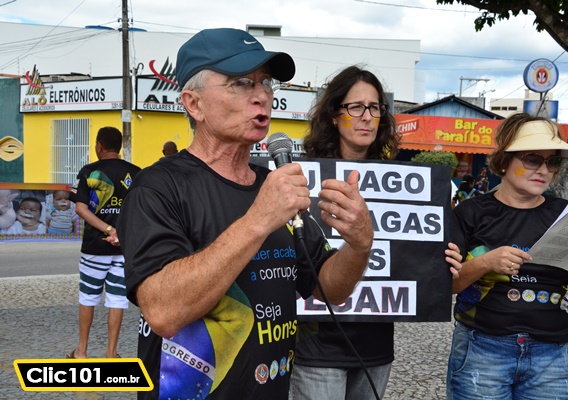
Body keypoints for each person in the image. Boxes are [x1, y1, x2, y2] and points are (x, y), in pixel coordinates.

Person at [118, 28, 376, 400]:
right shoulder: (157, 187)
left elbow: (328, 287)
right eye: (241, 83)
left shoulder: (273, 185)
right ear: (194, 104)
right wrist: (258, 220)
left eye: (266, 83)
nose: (262, 96)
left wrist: (359, 245)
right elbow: (163, 312)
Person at [290, 65, 463, 400]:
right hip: (317, 345)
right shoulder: (302, 177)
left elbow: (413, 256)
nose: (367, 117)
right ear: (334, 115)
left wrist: (442, 263)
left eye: (375, 108)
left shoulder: (407, 184)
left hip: (375, 347)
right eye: (356, 107)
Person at [447, 112, 568, 399]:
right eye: (532, 159)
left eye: (552, 162)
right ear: (505, 160)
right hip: (482, 348)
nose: (544, 169)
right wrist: (485, 262)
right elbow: (446, 285)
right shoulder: (471, 213)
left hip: (554, 354)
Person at [66, 126, 141, 359]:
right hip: (123, 249)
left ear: (99, 145)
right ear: (119, 146)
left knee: (88, 298)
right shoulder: (136, 173)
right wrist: (120, 234)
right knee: (117, 300)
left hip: (94, 248)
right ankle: (111, 353)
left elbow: (81, 208)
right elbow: (140, 211)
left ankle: (81, 351)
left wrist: (109, 230)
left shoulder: (89, 172)